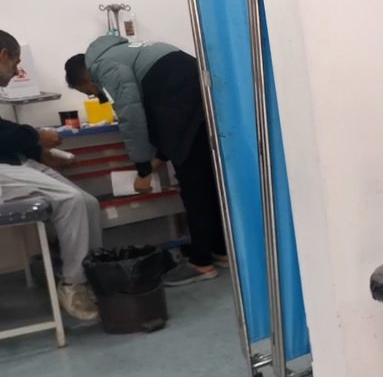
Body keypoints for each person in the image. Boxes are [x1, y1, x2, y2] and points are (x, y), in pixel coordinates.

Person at [64, 37, 227, 287]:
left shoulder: (103, 67)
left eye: (89, 92)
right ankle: (220, 249)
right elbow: (160, 113)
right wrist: (159, 158)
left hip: (182, 103)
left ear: (86, 79)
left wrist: (142, 171)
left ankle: (200, 262)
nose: (96, 96)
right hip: (202, 95)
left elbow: (132, 116)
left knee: (194, 187)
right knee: (206, 179)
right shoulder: (127, 51)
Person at [0, 30, 101, 320]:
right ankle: (73, 284)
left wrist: (38, 152)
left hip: (12, 161)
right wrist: (35, 136)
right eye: (16, 62)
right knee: (69, 199)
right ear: (3, 56)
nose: (17, 70)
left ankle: (93, 273)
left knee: (88, 203)